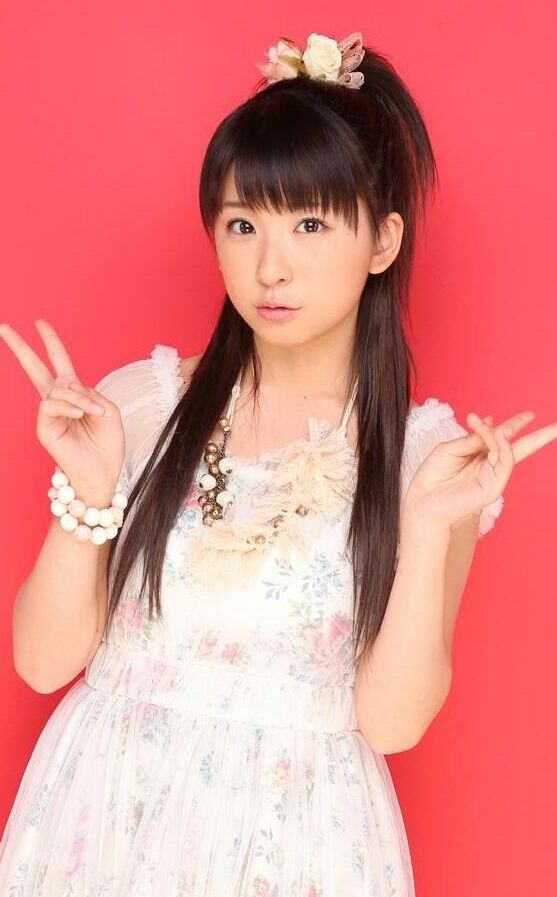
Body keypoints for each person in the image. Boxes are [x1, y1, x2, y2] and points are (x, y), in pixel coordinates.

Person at [0, 28, 555, 897]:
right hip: (104, 817)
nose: (269, 265)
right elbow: (40, 663)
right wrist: (92, 492)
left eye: (309, 223)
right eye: (242, 223)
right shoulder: (142, 407)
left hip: (296, 844)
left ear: (382, 241)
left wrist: (422, 527)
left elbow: (392, 721)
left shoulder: (424, 462)